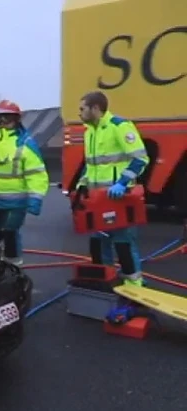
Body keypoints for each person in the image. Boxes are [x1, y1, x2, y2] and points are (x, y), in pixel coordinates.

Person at [77, 91, 149, 286]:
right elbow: (91, 165)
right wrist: (82, 185)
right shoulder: (89, 131)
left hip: (119, 198)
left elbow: (140, 159)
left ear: (96, 109)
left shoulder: (120, 126)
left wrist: (122, 183)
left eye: (82, 109)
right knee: (99, 245)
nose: (79, 113)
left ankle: (134, 288)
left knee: (123, 244)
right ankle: (106, 283)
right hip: (98, 199)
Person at [0, 100, 49, 265]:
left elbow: (36, 174)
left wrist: (35, 198)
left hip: (16, 202)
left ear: (16, 120)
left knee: (10, 233)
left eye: (6, 118)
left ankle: (14, 266)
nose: (2, 123)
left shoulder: (25, 144)